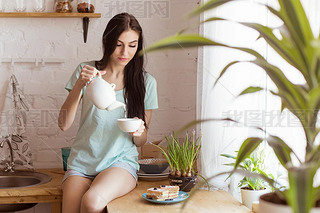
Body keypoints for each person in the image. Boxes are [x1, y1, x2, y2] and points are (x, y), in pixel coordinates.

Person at [58, 12, 158, 213]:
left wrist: (138, 132)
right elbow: (63, 124)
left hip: (119, 163)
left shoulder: (146, 83)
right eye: (119, 44)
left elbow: (141, 142)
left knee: (91, 201)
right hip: (82, 163)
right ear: (107, 41)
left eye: (132, 45)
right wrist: (80, 84)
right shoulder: (85, 72)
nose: (125, 52)